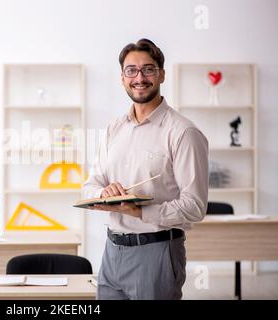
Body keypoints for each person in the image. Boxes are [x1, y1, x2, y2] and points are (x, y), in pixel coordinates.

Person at [84, 38, 208, 300]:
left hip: (157, 253)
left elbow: (194, 206)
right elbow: (91, 184)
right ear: (122, 78)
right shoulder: (113, 129)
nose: (139, 77)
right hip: (112, 252)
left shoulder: (183, 132)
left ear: (161, 74)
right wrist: (104, 192)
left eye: (148, 69)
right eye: (131, 70)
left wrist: (139, 211)